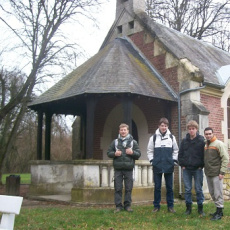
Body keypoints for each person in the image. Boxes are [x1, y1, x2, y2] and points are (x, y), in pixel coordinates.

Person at [107, 123, 141, 213]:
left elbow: (138, 154)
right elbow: (108, 153)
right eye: (121, 130)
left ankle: (127, 206)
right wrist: (114, 154)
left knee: (128, 188)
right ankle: (118, 206)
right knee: (117, 188)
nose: (123, 131)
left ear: (127, 131)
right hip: (118, 169)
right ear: (119, 131)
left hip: (129, 169)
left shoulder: (133, 142)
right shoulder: (115, 142)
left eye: (124, 130)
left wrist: (132, 152)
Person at [147, 117, 179, 213]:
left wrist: (173, 161)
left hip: (169, 166)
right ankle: (156, 206)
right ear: (159, 126)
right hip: (157, 165)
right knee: (157, 187)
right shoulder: (153, 138)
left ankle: (170, 206)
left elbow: (176, 150)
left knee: (169, 187)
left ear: (167, 126)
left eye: (165, 126)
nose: (163, 127)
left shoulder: (172, 137)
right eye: (162, 126)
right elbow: (150, 151)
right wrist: (152, 161)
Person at [178, 120, 205, 216]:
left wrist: (201, 165)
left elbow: (204, 155)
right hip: (187, 169)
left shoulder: (201, 141)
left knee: (198, 189)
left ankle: (200, 208)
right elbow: (180, 154)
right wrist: (182, 164)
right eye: (189, 129)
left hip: (197, 169)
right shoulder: (184, 141)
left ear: (196, 129)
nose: (191, 131)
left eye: (193, 129)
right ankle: (188, 208)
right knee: (187, 189)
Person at [204, 127, 229, 220]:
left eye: (210, 133)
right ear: (204, 135)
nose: (208, 135)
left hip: (217, 173)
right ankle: (217, 210)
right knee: (212, 193)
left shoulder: (219, 144)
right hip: (208, 173)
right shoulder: (206, 145)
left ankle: (220, 212)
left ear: (213, 133)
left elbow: (225, 158)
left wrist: (222, 172)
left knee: (218, 193)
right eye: (206, 134)